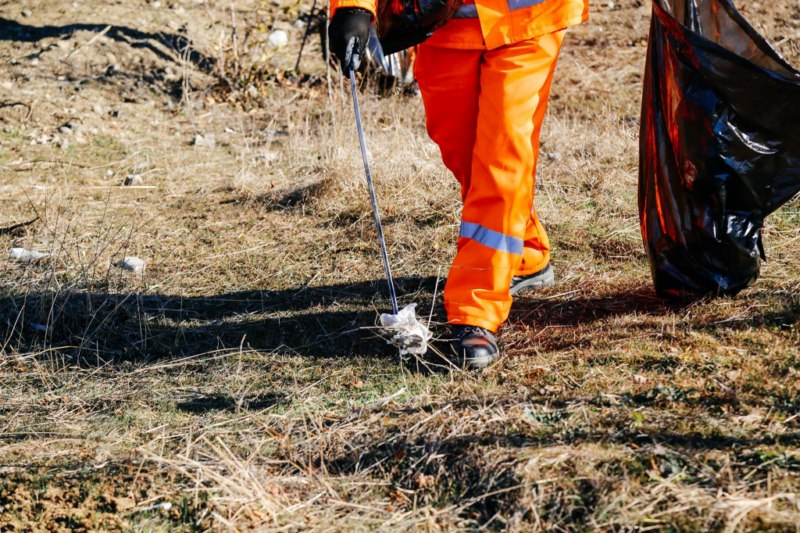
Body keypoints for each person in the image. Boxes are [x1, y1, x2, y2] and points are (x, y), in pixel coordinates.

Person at [329, 0, 589, 368]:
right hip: (438, 21)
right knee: (466, 155)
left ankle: (475, 311)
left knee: (502, 158)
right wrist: (353, 8)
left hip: (528, 19)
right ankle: (525, 253)